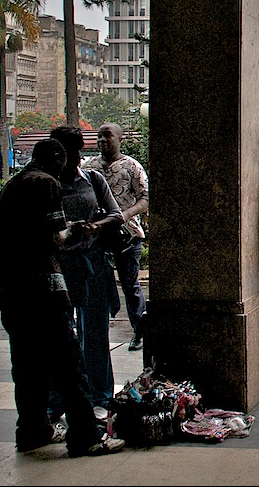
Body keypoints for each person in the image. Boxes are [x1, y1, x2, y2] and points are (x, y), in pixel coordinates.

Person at [0, 138, 124, 456]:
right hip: (42, 289)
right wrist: (74, 230)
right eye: (71, 157)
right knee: (68, 364)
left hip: (10, 289)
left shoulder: (12, 185)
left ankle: (32, 431)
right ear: (58, 159)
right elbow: (53, 237)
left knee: (28, 366)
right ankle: (86, 436)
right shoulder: (45, 183)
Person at [49, 126, 123, 410]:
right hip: (59, 266)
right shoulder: (47, 185)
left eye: (77, 152)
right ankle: (59, 399)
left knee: (95, 333)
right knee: (60, 334)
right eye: (68, 152)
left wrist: (95, 227)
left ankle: (100, 396)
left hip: (92, 262)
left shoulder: (92, 179)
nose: (75, 158)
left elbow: (116, 214)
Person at [83, 123, 149, 352]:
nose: (102, 140)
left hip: (127, 235)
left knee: (130, 285)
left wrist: (124, 215)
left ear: (120, 139)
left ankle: (140, 331)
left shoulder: (132, 166)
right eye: (99, 136)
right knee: (94, 285)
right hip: (96, 236)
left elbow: (145, 198)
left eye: (108, 136)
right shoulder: (89, 168)